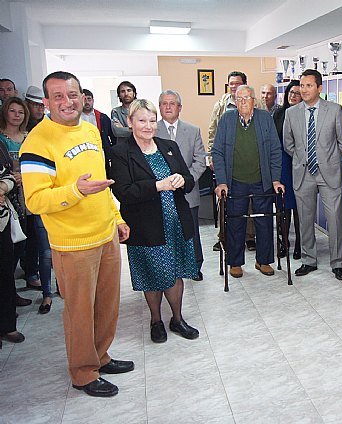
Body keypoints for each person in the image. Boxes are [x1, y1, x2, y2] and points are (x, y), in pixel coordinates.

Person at [20, 71, 133, 398]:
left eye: (72, 95)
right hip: (73, 244)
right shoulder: (37, 142)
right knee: (80, 313)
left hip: (105, 234)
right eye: (58, 96)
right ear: (46, 102)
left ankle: (101, 356)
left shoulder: (90, 129)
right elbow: (35, 200)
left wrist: (116, 217)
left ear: (82, 97)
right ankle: (83, 372)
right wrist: (75, 191)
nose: (67, 102)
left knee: (107, 305)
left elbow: (100, 184)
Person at [110, 99, 200, 343]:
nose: (148, 126)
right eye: (142, 120)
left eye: (152, 120)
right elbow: (123, 192)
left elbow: (189, 179)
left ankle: (177, 319)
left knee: (176, 272)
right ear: (130, 122)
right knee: (152, 274)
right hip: (146, 225)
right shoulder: (120, 153)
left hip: (175, 223)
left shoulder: (168, 146)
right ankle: (156, 321)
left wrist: (182, 180)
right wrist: (157, 186)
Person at [283, 69, 342, 280]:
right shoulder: (291, 113)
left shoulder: (334, 110)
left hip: (328, 173)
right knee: (305, 220)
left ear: (319, 88)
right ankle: (308, 260)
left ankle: (337, 262)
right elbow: (288, 144)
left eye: (309, 86)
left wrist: (329, 159)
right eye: (302, 85)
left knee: (334, 219)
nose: (304, 90)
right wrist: (303, 158)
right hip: (303, 173)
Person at [212, 85, 283, 278]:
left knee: (264, 222)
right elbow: (217, 151)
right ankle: (235, 262)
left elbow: (275, 150)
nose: (243, 102)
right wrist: (222, 182)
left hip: (262, 180)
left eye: (247, 98)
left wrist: (276, 180)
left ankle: (263, 261)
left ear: (254, 100)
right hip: (235, 181)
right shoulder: (227, 119)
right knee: (235, 223)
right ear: (235, 102)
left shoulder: (264, 118)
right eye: (239, 98)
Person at [156, 90, 207, 281]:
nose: (168, 107)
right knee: (165, 232)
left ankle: (195, 267)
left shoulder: (192, 130)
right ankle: (168, 268)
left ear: (179, 107)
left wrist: (186, 180)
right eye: (164, 103)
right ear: (159, 107)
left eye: (172, 103)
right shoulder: (151, 131)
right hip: (161, 192)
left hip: (188, 191)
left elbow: (200, 160)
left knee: (191, 231)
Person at [0, 97, 34, 308]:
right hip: (6, 197)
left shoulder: (29, 137)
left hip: (27, 192)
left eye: (20, 112)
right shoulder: (0, 139)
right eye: (12, 111)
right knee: (8, 249)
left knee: (23, 240)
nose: (16, 115)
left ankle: (11, 292)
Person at [273, 80, 302, 260]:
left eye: (297, 93)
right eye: (291, 92)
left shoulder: (306, 114)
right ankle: (283, 242)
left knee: (300, 208)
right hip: (282, 165)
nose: (293, 96)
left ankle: (300, 244)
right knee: (282, 207)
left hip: (300, 165)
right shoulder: (279, 113)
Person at [0, 141, 24, 346]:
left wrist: (1, 188)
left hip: (2, 222)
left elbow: (8, 175)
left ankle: (8, 325)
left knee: (5, 274)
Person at [81, 89, 115, 176]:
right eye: (84, 99)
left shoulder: (102, 117)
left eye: (89, 99)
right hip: (82, 153)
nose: (87, 102)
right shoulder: (75, 118)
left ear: (93, 100)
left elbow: (112, 136)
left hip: (101, 153)